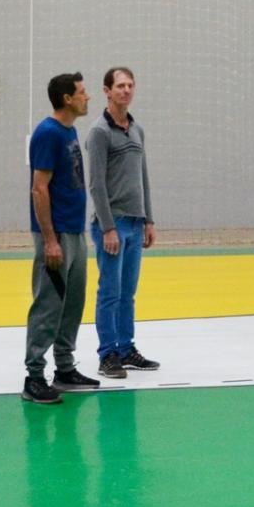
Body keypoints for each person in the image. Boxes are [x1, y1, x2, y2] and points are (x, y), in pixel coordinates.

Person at [23, 72, 99, 404]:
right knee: (49, 304)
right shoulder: (48, 133)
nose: (88, 97)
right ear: (67, 98)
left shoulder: (69, 131)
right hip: (56, 235)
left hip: (75, 230)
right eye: (83, 92)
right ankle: (34, 377)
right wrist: (50, 240)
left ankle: (64, 367)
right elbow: (39, 188)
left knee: (72, 303)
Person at [86, 66, 160, 379]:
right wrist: (108, 228)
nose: (125, 90)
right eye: (119, 86)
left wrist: (148, 219)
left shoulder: (137, 130)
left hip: (134, 222)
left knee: (128, 292)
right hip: (112, 224)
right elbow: (96, 185)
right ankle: (108, 354)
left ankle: (126, 348)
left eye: (130, 85)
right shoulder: (99, 132)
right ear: (107, 90)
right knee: (110, 292)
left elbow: (142, 176)